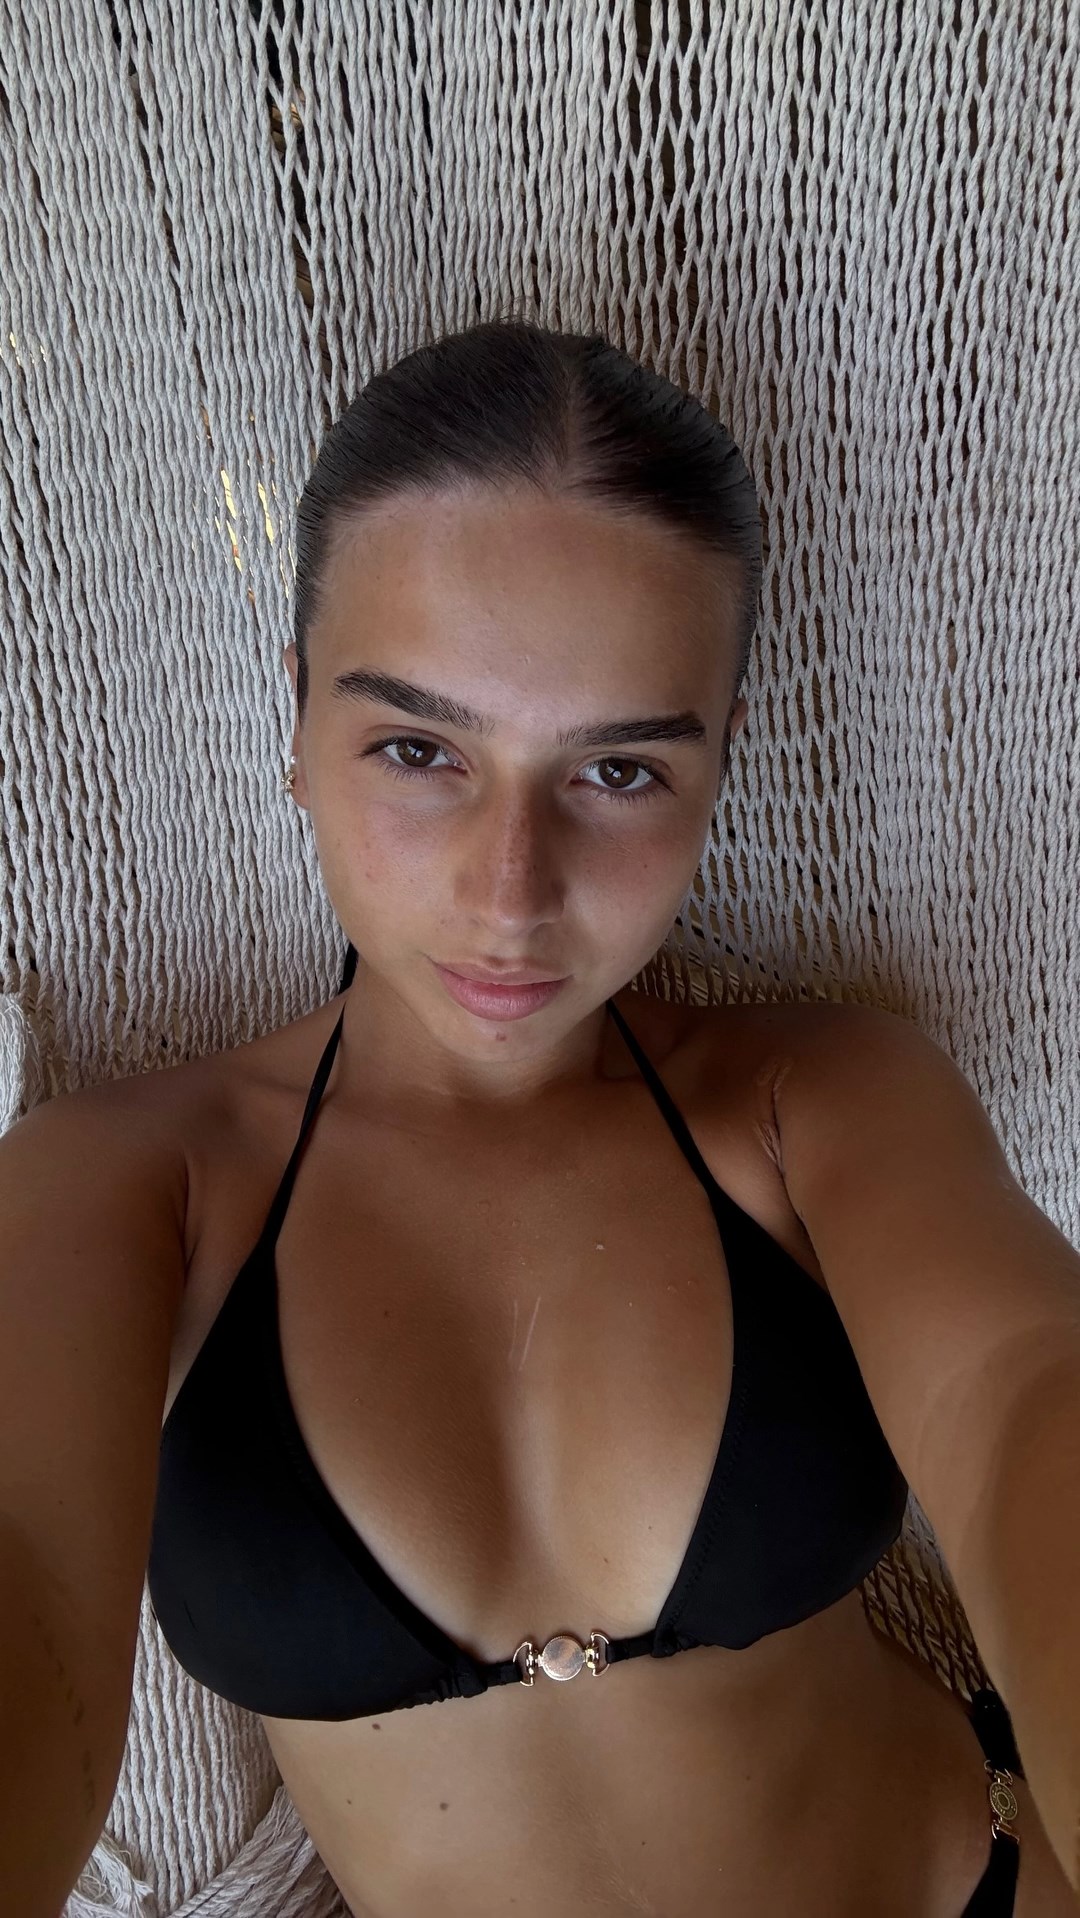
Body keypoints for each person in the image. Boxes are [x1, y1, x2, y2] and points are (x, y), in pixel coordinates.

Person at [133, 317, 1079, 1913]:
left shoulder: (818, 1102)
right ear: (296, 718)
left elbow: (1026, 1406)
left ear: (718, 764)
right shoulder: (133, 1189)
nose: (512, 893)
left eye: (620, 771)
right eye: (419, 747)